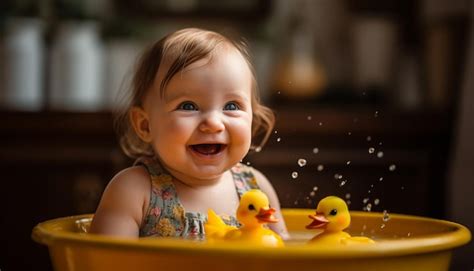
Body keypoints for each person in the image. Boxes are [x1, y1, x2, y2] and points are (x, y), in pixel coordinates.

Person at [90, 28, 289, 240]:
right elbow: (105, 260)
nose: (213, 123)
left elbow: (284, 256)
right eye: (188, 106)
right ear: (145, 125)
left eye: (231, 105)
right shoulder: (134, 191)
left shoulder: (256, 190)